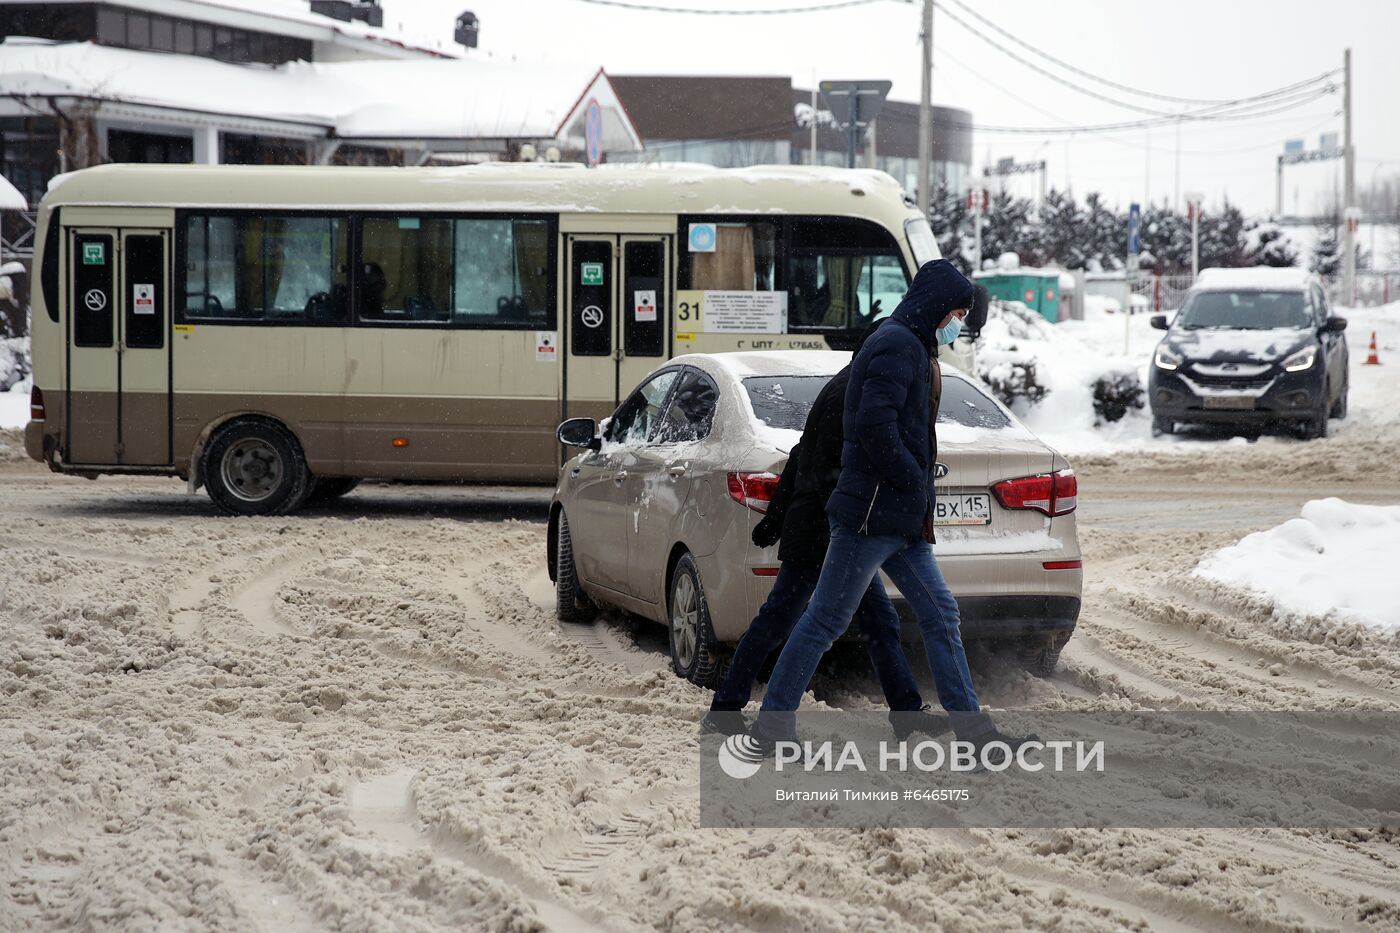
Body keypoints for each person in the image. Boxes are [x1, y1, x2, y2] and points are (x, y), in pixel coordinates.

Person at [752, 261, 1026, 752]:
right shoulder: (896, 345)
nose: (959, 323)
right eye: (958, 312)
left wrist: (913, 487)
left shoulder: (913, 344)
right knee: (823, 622)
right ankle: (772, 727)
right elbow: (874, 427)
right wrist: (909, 478)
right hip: (870, 517)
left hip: (897, 518)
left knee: (941, 615)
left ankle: (976, 738)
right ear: (939, 306)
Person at [701, 322, 929, 737]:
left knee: (873, 620)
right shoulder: (851, 393)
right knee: (783, 619)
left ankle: (908, 717)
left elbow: (802, 453)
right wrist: (837, 520)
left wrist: (777, 515)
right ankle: (727, 709)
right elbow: (823, 466)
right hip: (826, 532)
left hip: (826, 527)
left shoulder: (846, 386)